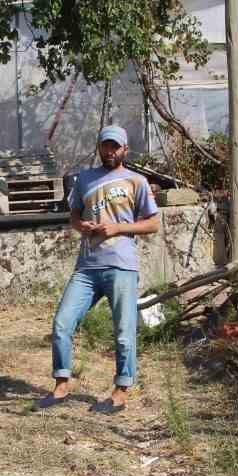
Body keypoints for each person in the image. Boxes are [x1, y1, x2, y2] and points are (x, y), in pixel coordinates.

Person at [39, 124, 160, 413]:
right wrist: (83, 226)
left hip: (121, 266)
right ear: (99, 147)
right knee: (62, 324)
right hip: (87, 267)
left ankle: (121, 390)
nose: (110, 151)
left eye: (115, 146)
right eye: (106, 146)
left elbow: (153, 223)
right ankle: (61, 385)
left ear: (125, 150)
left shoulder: (136, 181)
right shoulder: (85, 179)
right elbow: (75, 215)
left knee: (123, 330)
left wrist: (117, 227)